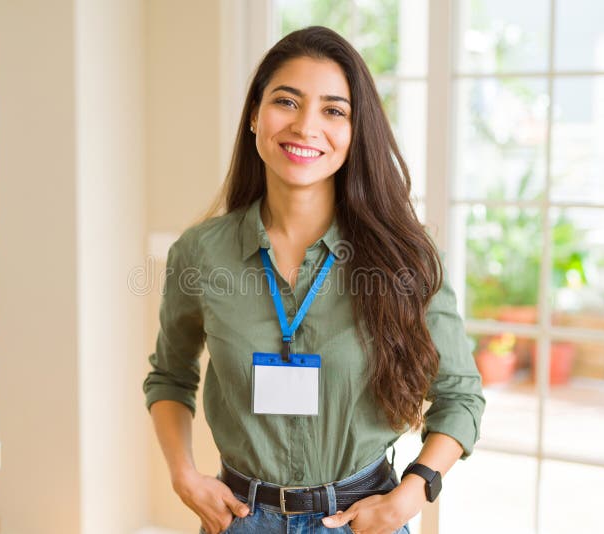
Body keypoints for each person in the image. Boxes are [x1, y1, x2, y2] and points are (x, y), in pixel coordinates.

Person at [143, 26, 485, 534]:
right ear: (256, 115)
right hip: (239, 519)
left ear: (354, 131)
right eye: (287, 101)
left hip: (362, 517)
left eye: (333, 110)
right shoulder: (200, 253)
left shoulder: (407, 255)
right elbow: (170, 376)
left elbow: (460, 395)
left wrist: (409, 496)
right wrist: (183, 476)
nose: (306, 127)